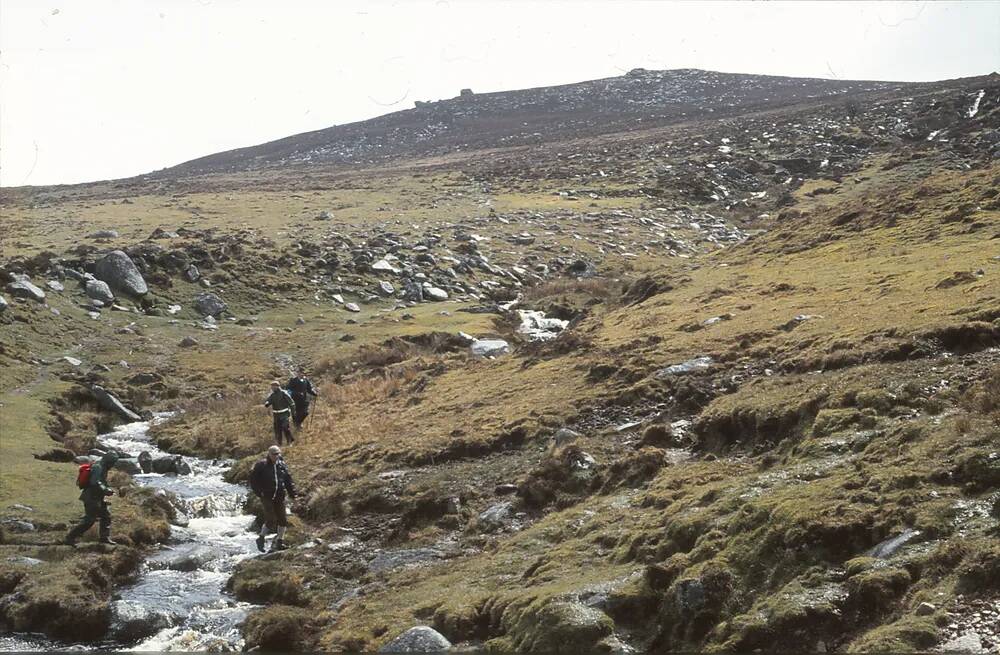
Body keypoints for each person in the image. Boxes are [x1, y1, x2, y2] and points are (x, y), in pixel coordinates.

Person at [65, 451, 120, 546]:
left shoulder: (102, 467)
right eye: (112, 462)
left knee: (106, 516)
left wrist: (107, 489)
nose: (113, 464)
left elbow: (101, 481)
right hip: (91, 498)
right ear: (108, 461)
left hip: (97, 497)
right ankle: (70, 537)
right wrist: (106, 490)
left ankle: (104, 537)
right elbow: (95, 482)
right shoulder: (98, 467)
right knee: (89, 520)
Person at [249, 445, 297, 552]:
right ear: (269, 454)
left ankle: (280, 541)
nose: (277, 456)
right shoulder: (261, 465)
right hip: (266, 496)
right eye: (274, 454)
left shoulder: (282, 465)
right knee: (270, 519)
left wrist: (293, 494)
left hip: (280, 495)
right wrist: (259, 493)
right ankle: (261, 538)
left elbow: (288, 480)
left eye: (278, 454)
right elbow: (253, 480)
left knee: (283, 520)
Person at [264, 380, 296, 445]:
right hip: (276, 415)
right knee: (277, 430)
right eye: (271, 387)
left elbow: (291, 403)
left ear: (277, 386)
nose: (272, 388)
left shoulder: (284, 393)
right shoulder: (272, 395)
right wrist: (267, 403)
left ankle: (289, 441)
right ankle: (279, 444)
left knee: (285, 427)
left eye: (273, 387)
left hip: (284, 414)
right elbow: (268, 400)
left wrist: (293, 413)